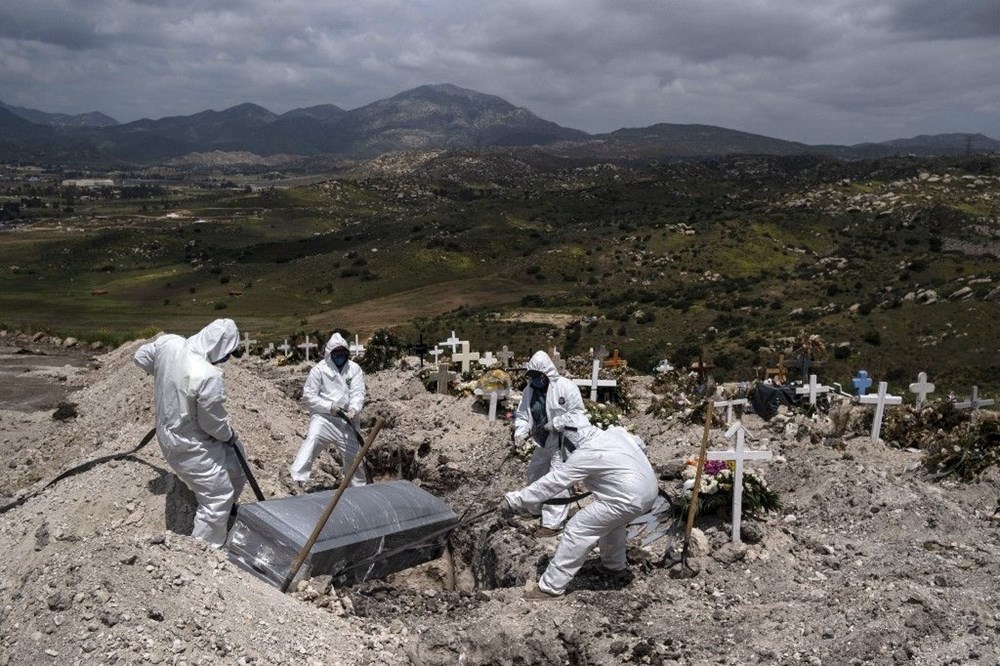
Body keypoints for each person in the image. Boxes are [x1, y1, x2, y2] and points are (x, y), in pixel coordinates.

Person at [501, 412, 659, 600]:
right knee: (612, 523)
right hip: (649, 493)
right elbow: (640, 444)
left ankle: (550, 588)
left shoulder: (586, 453)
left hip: (627, 498)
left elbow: (554, 482)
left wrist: (515, 499)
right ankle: (614, 566)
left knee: (578, 528)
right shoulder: (616, 433)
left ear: (568, 439)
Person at [133, 318, 247, 547]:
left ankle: (228, 513)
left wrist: (165, 377)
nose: (225, 360)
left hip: (172, 431)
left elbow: (140, 357)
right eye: (226, 354)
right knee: (218, 496)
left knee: (237, 463)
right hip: (189, 443)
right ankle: (203, 550)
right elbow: (212, 423)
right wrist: (229, 434)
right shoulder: (208, 375)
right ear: (220, 347)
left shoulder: (169, 344)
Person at [512, 350, 588, 537]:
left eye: (539, 376)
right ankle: (535, 508)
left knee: (556, 479)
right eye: (532, 377)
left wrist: (556, 423)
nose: (536, 380)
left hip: (562, 441)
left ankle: (553, 523)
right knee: (534, 473)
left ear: (547, 373)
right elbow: (522, 414)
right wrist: (520, 432)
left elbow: (578, 414)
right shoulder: (529, 391)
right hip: (542, 442)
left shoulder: (566, 387)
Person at [290, 332, 367, 487]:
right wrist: (329, 407)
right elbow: (308, 396)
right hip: (324, 418)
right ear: (329, 354)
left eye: (343, 354)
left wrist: (354, 408)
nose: (340, 358)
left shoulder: (354, 369)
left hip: (347, 421)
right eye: (336, 355)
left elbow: (358, 392)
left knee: (355, 457)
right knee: (313, 441)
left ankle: (359, 488)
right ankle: (297, 479)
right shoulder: (319, 370)